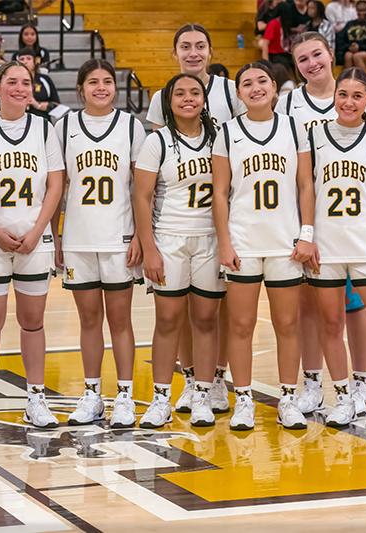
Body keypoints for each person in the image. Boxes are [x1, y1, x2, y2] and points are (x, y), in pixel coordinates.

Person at [278, 32, 366, 415]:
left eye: (317, 54)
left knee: (355, 307)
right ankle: (312, 383)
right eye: (302, 59)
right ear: (296, 66)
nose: (312, 63)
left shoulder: (358, 99)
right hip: (308, 221)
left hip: (353, 224)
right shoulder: (288, 104)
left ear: (331, 53)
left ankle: (361, 384)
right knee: (311, 307)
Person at [211, 62, 316, 431]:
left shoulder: (293, 127)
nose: (255, 88)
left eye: (261, 82)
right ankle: (243, 400)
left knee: (288, 324)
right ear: (238, 94)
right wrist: (224, 242)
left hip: (285, 244)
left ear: (274, 87)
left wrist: (307, 233)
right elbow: (220, 193)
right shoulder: (226, 132)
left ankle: (288, 398)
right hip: (243, 243)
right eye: (246, 84)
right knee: (241, 324)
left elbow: (306, 185)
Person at [147, 24, 245, 417]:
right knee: (179, 310)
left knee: (212, 309)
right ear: (174, 53)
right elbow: (159, 167)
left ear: (210, 50)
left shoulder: (229, 89)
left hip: (220, 215)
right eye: (185, 47)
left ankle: (214, 379)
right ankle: (189, 379)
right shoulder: (162, 98)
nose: (192, 52)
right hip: (176, 220)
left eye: (200, 46)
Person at [0, 61, 64, 431]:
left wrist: (39, 231)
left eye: (26, 82)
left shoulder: (44, 128)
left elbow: (55, 185)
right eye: (12, 82)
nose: (21, 88)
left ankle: (35, 399)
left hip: (33, 240)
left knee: (33, 323)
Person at [308, 67, 366, 428]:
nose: (348, 101)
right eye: (342, 94)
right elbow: (305, 192)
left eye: (356, 96)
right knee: (331, 325)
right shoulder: (314, 138)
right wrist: (306, 235)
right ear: (334, 97)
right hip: (326, 247)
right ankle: (344, 397)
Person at [55, 59, 146, 429]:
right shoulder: (64, 127)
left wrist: (141, 235)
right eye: (93, 82)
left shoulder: (130, 126)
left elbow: (142, 190)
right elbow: (56, 188)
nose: (101, 88)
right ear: (81, 89)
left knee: (120, 320)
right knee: (88, 319)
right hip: (78, 237)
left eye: (107, 81)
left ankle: (124, 395)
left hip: (119, 237)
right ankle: (92, 394)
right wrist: (56, 235)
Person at [134, 74, 225, 428]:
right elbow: (141, 197)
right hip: (170, 239)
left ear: (205, 99)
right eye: (180, 93)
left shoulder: (220, 139)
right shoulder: (156, 141)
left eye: (195, 92)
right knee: (168, 320)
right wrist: (149, 248)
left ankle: (202, 395)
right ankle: (161, 399)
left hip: (210, 240)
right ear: (168, 102)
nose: (188, 98)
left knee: (205, 320)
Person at [336, 1, 366, 69]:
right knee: (348, 55)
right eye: (359, 10)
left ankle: (363, 79)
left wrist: (359, 47)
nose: (361, 13)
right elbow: (339, 40)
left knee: (357, 56)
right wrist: (349, 47)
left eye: (363, 11)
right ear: (356, 10)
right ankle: (348, 79)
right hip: (351, 51)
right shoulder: (350, 24)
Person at [16, 48, 58, 119]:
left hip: (42, 121)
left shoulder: (44, 79)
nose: (25, 62)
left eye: (29, 59)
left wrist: (37, 104)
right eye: (22, 59)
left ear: (35, 61)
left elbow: (57, 105)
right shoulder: (12, 81)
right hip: (19, 122)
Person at [263, 2, 295, 71]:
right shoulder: (273, 23)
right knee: (284, 64)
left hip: (284, 53)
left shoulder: (285, 24)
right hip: (274, 55)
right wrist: (266, 62)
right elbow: (265, 43)